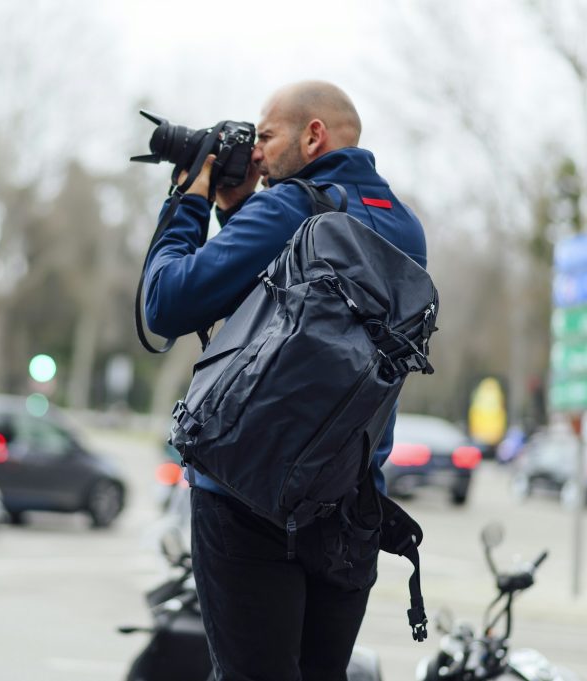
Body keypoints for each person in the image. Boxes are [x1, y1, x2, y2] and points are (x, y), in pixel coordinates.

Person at [143, 81, 427, 681]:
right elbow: (286, 310)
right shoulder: (405, 228)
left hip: (247, 503)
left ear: (313, 135)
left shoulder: (289, 207)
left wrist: (190, 200)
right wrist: (238, 209)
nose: (260, 154)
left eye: (266, 136)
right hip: (347, 509)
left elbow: (166, 303)